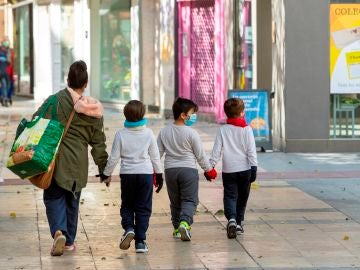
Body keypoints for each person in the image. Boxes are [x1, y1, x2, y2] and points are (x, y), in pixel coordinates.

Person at [33, 60, 109, 256]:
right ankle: (69, 242)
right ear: (85, 83)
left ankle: (59, 231)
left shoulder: (55, 100)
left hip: (56, 161)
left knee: (53, 197)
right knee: (72, 201)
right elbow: (98, 142)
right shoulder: (94, 109)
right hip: (78, 164)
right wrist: (104, 169)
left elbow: (35, 121)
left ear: (68, 79)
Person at [98, 100, 163, 253]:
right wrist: (159, 175)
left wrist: (106, 174)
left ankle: (128, 228)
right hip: (145, 175)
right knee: (143, 207)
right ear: (142, 114)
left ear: (125, 115)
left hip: (128, 175)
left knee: (127, 205)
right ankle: (140, 242)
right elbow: (155, 157)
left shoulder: (121, 134)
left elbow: (114, 158)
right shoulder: (148, 133)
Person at [157, 97, 217, 241]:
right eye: (192, 113)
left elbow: (157, 154)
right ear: (183, 115)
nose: (194, 116)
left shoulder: (164, 131)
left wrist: (153, 170)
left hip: (170, 171)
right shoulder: (191, 133)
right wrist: (209, 170)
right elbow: (201, 156)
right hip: (188, 171)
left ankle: (177, 229)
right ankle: (185, 222)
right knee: (190, 200)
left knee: (175, 202)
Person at [209, 98, 257, 239]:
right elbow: (251, 151)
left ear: (226, 113)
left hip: (229, 170)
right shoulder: (247, 129)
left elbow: (216, 152)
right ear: (242, 113)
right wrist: (254, 167)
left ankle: (231, 219)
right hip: (245, 169)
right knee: (242, 197)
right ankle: (239, 223)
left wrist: (210, 166)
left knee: (230, 195)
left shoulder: (223, 130)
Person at [0, 37, 10, 107]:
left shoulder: (7, 52)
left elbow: (9, 63)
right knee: (4, 85)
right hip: (2, 72)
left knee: (5, 86)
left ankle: (4, 98)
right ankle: (4, 98)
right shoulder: (3, 52)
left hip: (5, 72)